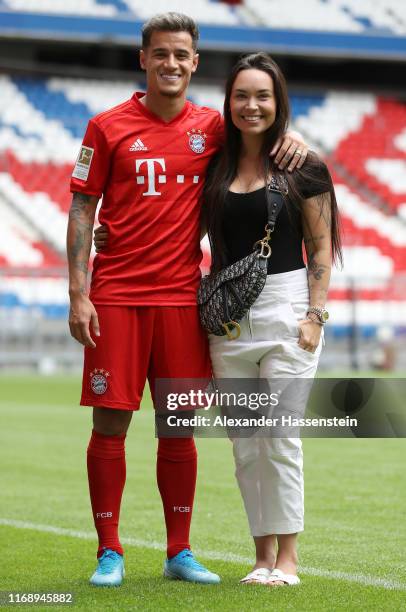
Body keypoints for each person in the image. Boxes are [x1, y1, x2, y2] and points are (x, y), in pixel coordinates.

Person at [67, 12, 308, 587]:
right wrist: (79, 292)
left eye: (182, 54)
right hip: (117, 297)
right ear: (143, 59)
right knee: (111, 425)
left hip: (183, 301)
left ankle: (179, 551)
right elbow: (83, 207)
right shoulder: (105, 127)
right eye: (161, 53)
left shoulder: (214, 128)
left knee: (179, 428)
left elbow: (261, 133)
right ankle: (110, 551)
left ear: (195, 62)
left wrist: (292, 138)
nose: (171, 63)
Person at [202, 52, 342, 586]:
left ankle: (288, 560)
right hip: (228, 320)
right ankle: (260, 557)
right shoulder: (213, 162)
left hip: (288, 311)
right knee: (245, 442)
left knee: (280, 436)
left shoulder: (303, 165)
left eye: (263, 95)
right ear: (229, 102)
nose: (251, 105)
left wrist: (315, 314)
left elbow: (321, 244)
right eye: (242, 95)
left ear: (278, 102)